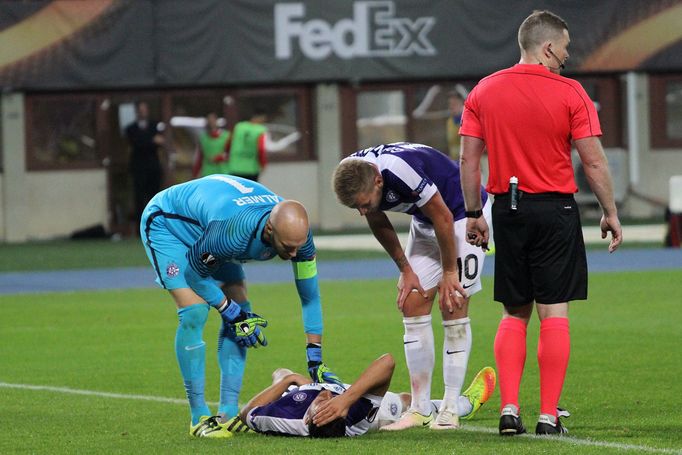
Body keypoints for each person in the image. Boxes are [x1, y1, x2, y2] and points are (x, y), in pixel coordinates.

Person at [459, 10, 623, 436]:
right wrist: (610, 211)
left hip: (506, 211)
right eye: (565, 48)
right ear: (548, 47)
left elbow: (468, 160)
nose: (567, 56)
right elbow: (592, 160)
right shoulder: (571, 92)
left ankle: (509, 411)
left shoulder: (484, 90)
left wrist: (475, 213)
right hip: (555, 211)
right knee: (554, 313)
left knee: (514, 312)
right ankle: (548, 416)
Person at [139, 174, 340, 438]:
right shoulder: (233, 233)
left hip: (211, 229)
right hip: (169, 224)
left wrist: (315, 358)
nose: (293, 255)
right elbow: (194, 275)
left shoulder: (299, 239)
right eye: (287, 247)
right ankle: (198, 416)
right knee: (195, 310)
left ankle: (229, 412)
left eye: (297, 248)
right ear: (270, 231)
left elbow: (310, 297)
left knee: (242, 305)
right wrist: (230, 312)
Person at [331, 142, 495, 431]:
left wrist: (449, 271)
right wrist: (405, 269)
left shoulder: (398, 170)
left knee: (452, 303)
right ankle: (420, 408)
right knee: (412, 302)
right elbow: (376, 218)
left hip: (461, 217)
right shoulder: (355, 173)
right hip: (426, 220)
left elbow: (443, 216)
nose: (361, 211)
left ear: (379, 181)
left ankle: (449, 408)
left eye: (364, 203)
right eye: (355, 206)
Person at [239, 354, 495, 437]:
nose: (325, 396)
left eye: (323, 402)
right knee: (405, 401)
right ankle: (462, 405)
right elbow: (387, 362)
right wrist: (347, 398)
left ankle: (289, 382)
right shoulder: (357, 415)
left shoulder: (286, 418)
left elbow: (246, 413)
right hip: (357, 402)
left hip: (309, 392)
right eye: (327, 404)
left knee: (281, 371)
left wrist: (289, 380)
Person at [125, 101, 165, 229]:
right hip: (138, 168)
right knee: (139, 199)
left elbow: (160, 141)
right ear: (137, 112)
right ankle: (140, 228)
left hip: (153, 168)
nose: (142, 112)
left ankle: (156, 227)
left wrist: (145, 140)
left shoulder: (155, 125)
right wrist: (151, 140)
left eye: (144, 109)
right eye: (140, 109)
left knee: (154, 198)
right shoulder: (130, 129)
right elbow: (137, 144)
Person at [226, 109, 268, 182]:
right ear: (260, 117)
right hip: (251, 168)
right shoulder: (260, 130)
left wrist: (227, 155)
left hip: (235, 167)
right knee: (251, 191)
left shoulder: (239, 126)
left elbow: (228, 143)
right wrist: (263, 164)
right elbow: (261, 149)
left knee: (235, 191)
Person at [191, 112, 231, 178]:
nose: (211, 123)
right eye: (209, 121)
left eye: (213, 120)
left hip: (223, 172)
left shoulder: (226, 136)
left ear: (217, 121)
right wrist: (195, 173)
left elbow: (231, 154)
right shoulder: (203, 138)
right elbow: (199, 157)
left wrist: (221, 157)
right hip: (208, 172)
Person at [446, 91, 465, 161]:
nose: (451, 107)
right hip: (455, 162)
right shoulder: (450, 121)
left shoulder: (468, 120)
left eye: (454, 104)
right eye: (450, 104)